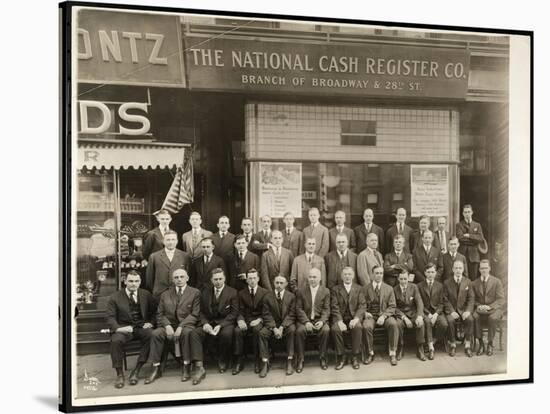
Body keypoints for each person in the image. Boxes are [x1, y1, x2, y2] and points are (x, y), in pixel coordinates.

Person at [144, 269, 201, 384]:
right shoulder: (165, 294)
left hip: (186, 324)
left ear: (187, 278)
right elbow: (160, 313)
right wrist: (167, 325)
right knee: (156, 334)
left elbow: (195, 314)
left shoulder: (195, 292)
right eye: (176, 277)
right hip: (169, 325)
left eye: (181, 277)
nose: (179, 279)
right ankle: (156, 367)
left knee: (186, 333)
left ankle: (186, 366)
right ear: (172, 279)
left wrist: (181, 326)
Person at [105, 270, 155, 388]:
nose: (134, 284)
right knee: (116, 341)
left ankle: (136, 370)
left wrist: (151, 323)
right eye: (131, 281)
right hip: (124, 328)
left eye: (136, 281)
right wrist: (118, 328)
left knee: (152, 335)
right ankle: (119, 374)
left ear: (140, 282)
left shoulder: (146, 294)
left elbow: (155, 312)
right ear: (125, 281)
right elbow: (110, 317)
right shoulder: (115, 297)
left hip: (141, 327)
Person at [189, 268, 238, 383]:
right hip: (209, 322)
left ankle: (222, 359)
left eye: (220, 279)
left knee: (226, 334)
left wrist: (221, 325)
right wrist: (205, 323)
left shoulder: (232, 292)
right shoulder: (205, 292)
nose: (218, 281)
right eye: (215, 279)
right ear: (211, 280)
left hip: (225, 322)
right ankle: (199, 366)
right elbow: (200, 312)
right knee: (195, 333)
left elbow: (234, 313)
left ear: (224, 279)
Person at [259, 276, 296, 377]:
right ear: (273, 283)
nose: (279, 285)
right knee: (262, 333)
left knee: (292, 330)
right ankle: (265, 362)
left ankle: (290, 360)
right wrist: (274, 328)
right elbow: (266, 314)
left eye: (281, 283)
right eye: (277, 283)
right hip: (272, 325)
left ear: (286, 284)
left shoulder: (291, 296)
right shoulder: (267, 297)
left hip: (286, 324)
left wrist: (282, 327)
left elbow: (292, 314)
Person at [295, 268, 331, 372]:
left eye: (314, 277)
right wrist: (306, 322)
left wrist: (322, 321)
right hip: (305, 320)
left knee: (325, 330)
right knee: (299, 331)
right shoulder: (301, 291)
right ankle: (301, 359)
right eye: (310, 277)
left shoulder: (325, 291)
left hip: (319, 319)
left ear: (319, 278)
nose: (312, 279)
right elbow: (299, 309)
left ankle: (323, 357)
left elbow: (326, 309)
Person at [233, 269, 269, 375]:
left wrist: (259, 319)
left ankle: (257, 360)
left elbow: (267, 311)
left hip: (259, 320)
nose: (252, 281)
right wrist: (240, 320)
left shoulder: (265, 292)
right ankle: (239, 360)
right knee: (237, 331)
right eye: (250, 278)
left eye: (254, 278)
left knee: (257, 330)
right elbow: (239, 310)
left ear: (258, 279)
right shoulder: (241, 293)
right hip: (246, 320)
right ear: (246, 280)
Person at [362, 265, 399, 366]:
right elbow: (361, 305)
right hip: (371, 316)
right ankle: (370, 353)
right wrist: (365, 312)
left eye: (381, 273)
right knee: (366, 326)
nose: (379, 275)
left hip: (384, 315)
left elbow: (392, 306)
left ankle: (392, 353)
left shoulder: (389, 288)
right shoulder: (365, 289)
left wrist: (384, 316)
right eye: (377, 273)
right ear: (372, 275)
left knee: (393, 324)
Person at [330, 267, 366, 370]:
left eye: (349, 274)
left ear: (353, 276)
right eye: (345, 274)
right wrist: (339, 321)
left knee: (358, 327)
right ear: (342, 276)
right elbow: (334, 306)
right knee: (336, 329)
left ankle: (355, 356)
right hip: (341, 317)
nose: (347, 276)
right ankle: (342, 357)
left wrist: (356, 318)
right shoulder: (335, 289)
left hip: (353, 317)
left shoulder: (359, 289)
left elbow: (362, 305)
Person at [472, 260, 505, 356]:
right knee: (475, 316)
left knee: (492, 318)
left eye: (486, 268)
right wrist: (479, 306)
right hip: (480, 309)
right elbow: (472, 299)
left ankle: (490, 343)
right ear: (479, 269)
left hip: (494, 309)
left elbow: (501, 299)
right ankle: (481, 343)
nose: (484, 270)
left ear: (489, 268)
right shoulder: (474, 283)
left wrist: (489, 306)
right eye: (482, 268)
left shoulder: (496, 281)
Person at [145, 230, 190, 300]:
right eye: (168, 240)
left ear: (177, 241)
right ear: (163, 241)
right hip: (159, 295)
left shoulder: (185, 256)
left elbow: (189, 277)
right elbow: (149, 280)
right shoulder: (154, 257)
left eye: (173, 239)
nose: (171, 242)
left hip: (179, 295)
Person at [394, 267, 426, 361]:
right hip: (401, 315)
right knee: (398, 324)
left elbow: (419, 302)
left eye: (405, 279)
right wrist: (404, 317)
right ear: (398, 279)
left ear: (408, 278)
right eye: (401, 279)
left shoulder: (414, 287)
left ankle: (420, 348)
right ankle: (400, 348)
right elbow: (394, 307)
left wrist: (420, 316)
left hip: (413, 313)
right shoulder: (394, 289)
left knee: (420, 323)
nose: (403, 281)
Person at [443, 260, 475, 357]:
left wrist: (468, 311)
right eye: (456, 268)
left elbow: (471, 298)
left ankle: (467, 344)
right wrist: (452, 311)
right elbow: (445, 299)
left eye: (460, 268)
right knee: (450, 321)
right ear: (453, 269)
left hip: (463, 310)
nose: (458, 270)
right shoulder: (447, 282)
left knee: (470, 320)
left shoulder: (468, 282)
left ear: (463, 269)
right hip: (452, 310)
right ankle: (453, 344)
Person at [417, 263, 448, 360]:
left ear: (435, 273)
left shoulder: (440, 286)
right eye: (428, 272)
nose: (430, 274)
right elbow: (419, 303)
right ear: (425, 273)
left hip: (437, 312)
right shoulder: (419, 286)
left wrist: (435, 314)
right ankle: (431, 348)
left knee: (444, 324)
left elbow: (441, 303)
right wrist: (428, 314)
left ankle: (434, 340)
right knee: (427, 322)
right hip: (425, 312)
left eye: (432, 272)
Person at [456, 204, 485, 279]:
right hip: (462, 254)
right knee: (463, 277)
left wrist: (469, 235)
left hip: (474, 255)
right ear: (462, 213)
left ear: (472, 212)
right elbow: (460, 238)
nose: (467, 214)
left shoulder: (477, 225)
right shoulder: (459, 225)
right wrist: (474, 241)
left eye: (469, 212)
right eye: (465, 212)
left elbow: (481, 238)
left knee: (473, 277)